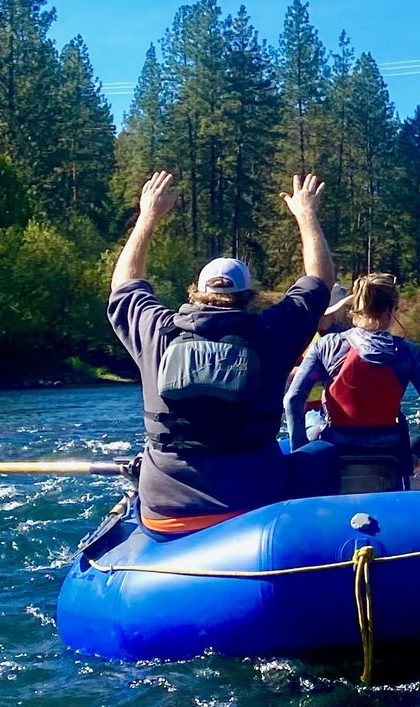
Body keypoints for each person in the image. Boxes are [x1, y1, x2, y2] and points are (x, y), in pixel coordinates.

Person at [107, 170, 335, 533]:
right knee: (324, 453)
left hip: (165, 511)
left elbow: (124, 284)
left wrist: (148, 215)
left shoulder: (156, 331)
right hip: (253, 504)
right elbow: (320, 281)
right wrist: (306, 215)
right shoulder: (271, 332)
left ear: (194, 293)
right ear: (248, 296)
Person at [280, 272, 420, 494]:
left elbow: (293, 398)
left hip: (336, 447)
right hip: (390, 451)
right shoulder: (408, 352)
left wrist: (300, 449)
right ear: (391, 310)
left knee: (314, 424)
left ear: (355, 308)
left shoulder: (327, 346)